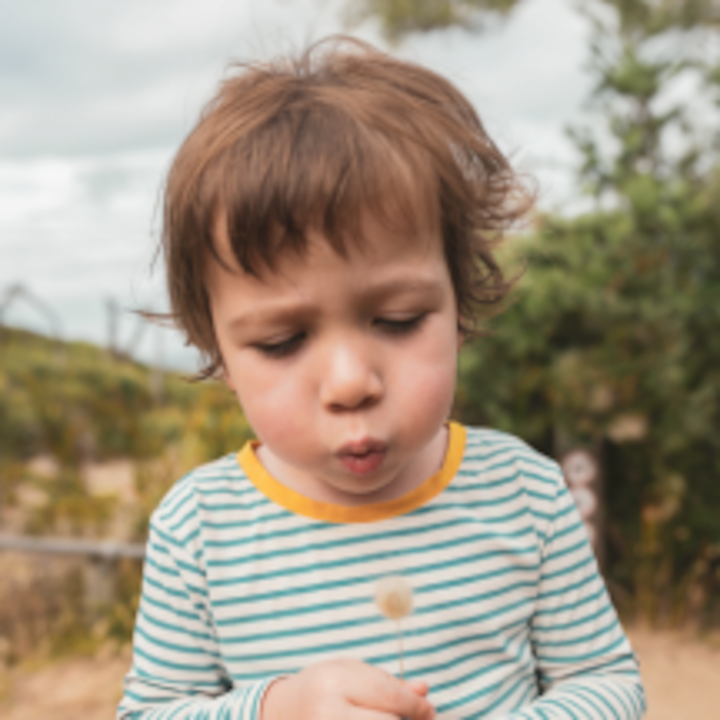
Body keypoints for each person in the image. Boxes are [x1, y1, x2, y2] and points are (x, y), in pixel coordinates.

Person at [118, 36, 646, 720]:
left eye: (397, 320)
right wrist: (276, 708)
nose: (349, 383)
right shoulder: (200, 531)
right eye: (282, 341)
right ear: (216, 350)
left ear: (460, 304)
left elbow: (606, 680)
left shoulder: (526, 496)